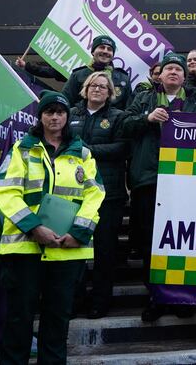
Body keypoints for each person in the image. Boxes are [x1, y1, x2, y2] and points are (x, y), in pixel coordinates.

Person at [0, 91, 104, 364]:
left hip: (68, 250)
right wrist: (34, 228)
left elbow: (95, 194)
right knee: (18, 319)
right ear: (40, 116)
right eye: (49, 112)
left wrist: (79, 233)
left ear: (67, 117)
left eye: (60, 112)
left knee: (57, 322)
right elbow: (5, 192)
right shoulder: (22, 149)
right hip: (24, 248)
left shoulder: (83, 153)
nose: (54, 117)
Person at [120, 53, 196, 322]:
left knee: (182, 241)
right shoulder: (144, 99)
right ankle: (156, 296)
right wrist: (147, 118)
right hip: (148, 180)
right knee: (149, 242)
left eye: (178, 69)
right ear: (160, 75)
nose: (173, 72)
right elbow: (124, 125)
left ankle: (179, 296)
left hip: (184, 182)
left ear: (184, 76)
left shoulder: (195, 102)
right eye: (168, 68)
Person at [69, 72, 128, 319]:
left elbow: (122, 147)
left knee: (105, 250)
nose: (98, 89)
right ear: (85, 88)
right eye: (94, 85)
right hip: (72, 193)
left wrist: (87, 151)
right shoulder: (70, 114)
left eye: (104, 87)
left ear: (110, 92)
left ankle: (100, 301)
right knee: (73, 250)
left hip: (108, 194)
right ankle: (75, 299)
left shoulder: (118, 117)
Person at [62, 35, 132, 110]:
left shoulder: (123, 79)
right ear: (93, 52)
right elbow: (65, 103)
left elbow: (128, 110)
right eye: (101, 47)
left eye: (109, 49)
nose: (105, 51)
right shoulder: (78, 75)